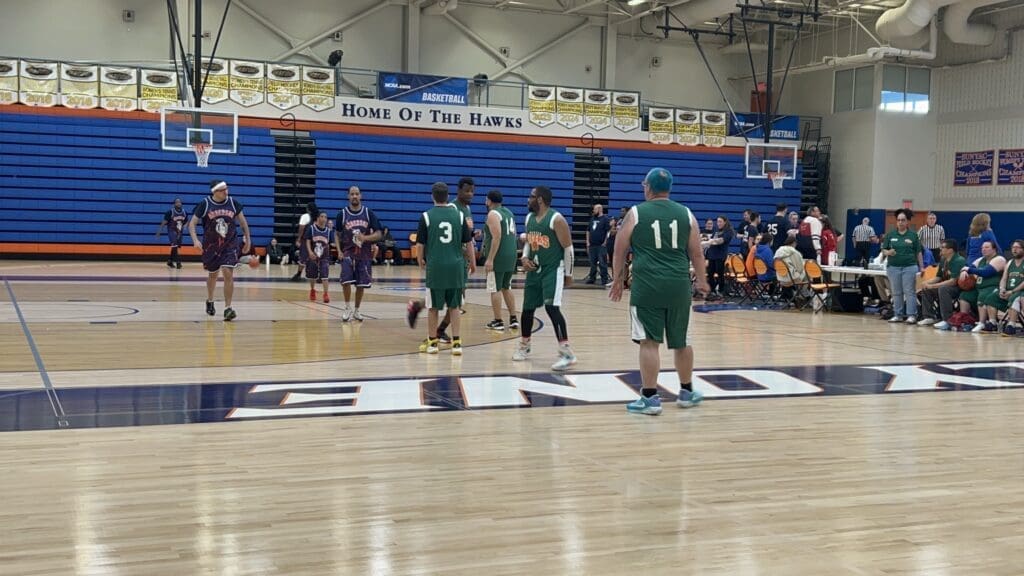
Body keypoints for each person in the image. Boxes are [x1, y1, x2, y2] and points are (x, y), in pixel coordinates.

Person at [609, 168, 709, 415]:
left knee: (649, 342)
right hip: (678, 285)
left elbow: (619, 250)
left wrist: (617, 281)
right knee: (682, 341)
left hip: (647, 285)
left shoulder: (635, 213)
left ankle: (650, 398)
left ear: (648, 188)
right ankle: (686, 391)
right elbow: (696, 253)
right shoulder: (686, 213)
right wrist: (703, 281)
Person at [513, 185, 577, 371]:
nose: (528, 199)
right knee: (527, 310)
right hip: (534, 270)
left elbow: (568, 249)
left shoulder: (556, 219)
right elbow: (530, 244)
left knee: (551, 307)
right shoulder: (529, 218)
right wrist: (524, 258)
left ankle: (567, 352)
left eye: (531, 196)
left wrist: (569, 274)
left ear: (539, 199)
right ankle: (524, 346)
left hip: (552, 270)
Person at [413, 182, 475, 355]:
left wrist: (420, 260)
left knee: (433, 307)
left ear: (432, 196)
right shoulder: (459, 216)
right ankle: (457, 344)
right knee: (454, 306)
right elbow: (468, 241)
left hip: (436, 266)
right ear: (448, 196)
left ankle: (433, 343)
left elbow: (420, 244)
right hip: (456, 267)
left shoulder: (426, 216)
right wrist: (473, 261)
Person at [188, 180, 251, 321]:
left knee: (228, 273)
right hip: (211, 246)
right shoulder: (205, 204)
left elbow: (243, 223)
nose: (226, 192)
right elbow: (192, 223)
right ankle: (210, 300)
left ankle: (228, 308)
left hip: (229, 244)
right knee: (213, 275)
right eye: (223, 190)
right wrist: (195, 240)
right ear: (215, 191)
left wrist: (248, 239)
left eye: (226, 189)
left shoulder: (233, 203)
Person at [435, 177, 475, 341]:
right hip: (452, 261)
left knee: (456, 300)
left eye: (472, 191)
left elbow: (465, 236)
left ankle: (439, 329)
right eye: (467, 191)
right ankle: (438, 330)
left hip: (462, 262)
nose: (470, 194)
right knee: (452, 301)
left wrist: (472, 237)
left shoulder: (467, 209)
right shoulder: (452, 208)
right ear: (458, 190)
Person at [335, 186, 382, 322]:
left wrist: (365, 238)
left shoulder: (368, 213)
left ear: (361, 195)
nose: (354, 196)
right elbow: (337, 234)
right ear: (348, 196)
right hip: (348, 253)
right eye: (352, 194)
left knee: (361, 285)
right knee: (346, 282)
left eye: (357, 194)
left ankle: (357, 310)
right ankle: (347, 307)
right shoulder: (342, 214)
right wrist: (338, 250)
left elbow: (379, 233)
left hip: (364, 254)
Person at [482, 190, 520, 332]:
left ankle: (498, 321)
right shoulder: (508, 212)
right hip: (511, 254)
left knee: (495, 288)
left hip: (499, 255)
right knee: (506, 286)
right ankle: (513, 318)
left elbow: (497, 236)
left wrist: (490, 258)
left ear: (489, 200)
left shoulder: (492, 214)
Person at [880, 208, 924, 324]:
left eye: (903, 220)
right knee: (896, 292)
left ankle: (911, 315)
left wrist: (922, 266)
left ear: (907, 222)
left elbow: (918, 252)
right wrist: (888, 253)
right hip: (893, 267)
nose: (900, 222)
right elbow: (884, 250)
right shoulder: (890, 235)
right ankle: (897, 315)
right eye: (898, 220)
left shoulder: (913, 235)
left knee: (909, 291)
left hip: (909, 267)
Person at [959, 240, 1006, 333]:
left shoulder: (999, 259)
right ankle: (964, 320)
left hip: (993, 287)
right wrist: (964, 271)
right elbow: (969, 266)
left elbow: (986, 272)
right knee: (964, 295)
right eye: (982, 248)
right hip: (979, 287)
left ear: (994, 249)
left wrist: (969, 270)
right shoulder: (981, 260)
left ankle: (982, 323)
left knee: (983, 295)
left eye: (987, 247)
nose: (983, 249)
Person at [919, 239, 966, 329]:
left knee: (943, 289)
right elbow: (938, 277)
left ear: (950, 250)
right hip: (946, 285)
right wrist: (926, 283)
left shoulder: (959, 260)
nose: (940, 249)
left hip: (957, 288)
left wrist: (933, 286)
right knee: (926, 289)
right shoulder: (943, 260)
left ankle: (947, 319)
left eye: (943, 247)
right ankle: (929, 316)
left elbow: (953, 281)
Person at [304, 211, 333, 303]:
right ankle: (312, 290)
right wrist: (310, 252)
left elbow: (332, 243)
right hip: (313, 256)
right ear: (318, 218)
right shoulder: (311, 228)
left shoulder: (329, 231)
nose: (324, 218)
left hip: (324, 257)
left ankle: (326, 294)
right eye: (322, 216)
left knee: (325, 276)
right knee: (312, 276)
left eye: (325, 217)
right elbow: (308, 241)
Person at [703, 215, 733, 300]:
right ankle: (712, 291)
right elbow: (711, 241)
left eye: (720, 221)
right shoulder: (716, 231)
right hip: (712, 255)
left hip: (720, 255)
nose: (718, 223)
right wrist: (706, 242)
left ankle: (721, 290)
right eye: (717, 221)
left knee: (720, 274)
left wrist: (711, 241)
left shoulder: (728, 231)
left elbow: (721, 241)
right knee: (710, 273)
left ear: (725, 222)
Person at [999, 240, 1024, 336]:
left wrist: (1012, 291)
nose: (1014, 249)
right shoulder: (1009, 263)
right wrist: (1002, 289)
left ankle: (1011, 325)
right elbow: (1004, 278)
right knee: (990, 297)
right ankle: (991, 323)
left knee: (1015, 297)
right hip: (1010, 291)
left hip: (1020, 291)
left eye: (1017, 247)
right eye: (1013, 247)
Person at [156, 198, 188, 269]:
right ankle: (178, 262)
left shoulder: (184, 212)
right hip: (172, 231)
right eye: (177, 202)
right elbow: (164, 222)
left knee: (175, 247)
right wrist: (159, 231)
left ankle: (170, 261)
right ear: (174, 204)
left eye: (180, 202)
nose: (178, 203)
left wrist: (185, 226)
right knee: (175, 245)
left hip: (179, 232)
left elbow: (186, 221)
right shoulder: (170, 212)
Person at [585, 203, 611, 286]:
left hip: (601, 245)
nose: (593, 211)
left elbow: (608, 231)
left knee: (602, 263)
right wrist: (587, 242)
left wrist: (605, 242)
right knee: (592, 263)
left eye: (595, 209)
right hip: (592, 245)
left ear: (600, 209)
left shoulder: (605, 219)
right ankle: (592, 278)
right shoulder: (592, 219)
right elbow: (588, 231)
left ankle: (604, 279)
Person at [291, 202, 318, 281]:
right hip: (317, 240)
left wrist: (299, 238)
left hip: (306, 240)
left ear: (308, 209)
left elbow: (301, 228)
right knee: (317, 257)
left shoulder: (305, 216)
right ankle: (319, 275)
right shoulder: (319, 216)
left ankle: (298, 274)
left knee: (303, 257)